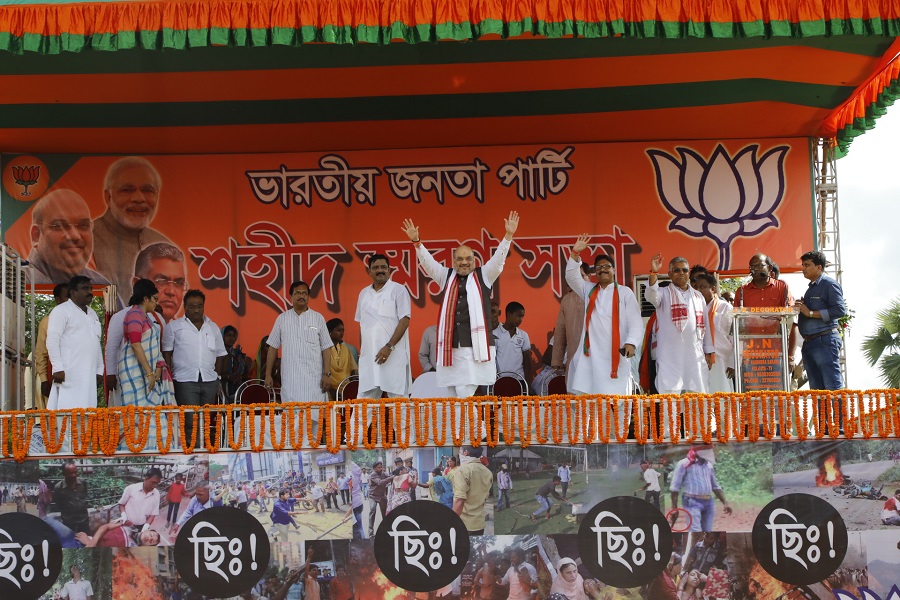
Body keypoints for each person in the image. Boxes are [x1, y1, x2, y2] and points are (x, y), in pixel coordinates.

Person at [402, 212, 519, 397]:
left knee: (464, 395)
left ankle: (468, 427)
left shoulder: (484, 275)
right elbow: (428, 263)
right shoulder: (446, 276)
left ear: (474, 260)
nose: (464, 262)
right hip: (451, 350)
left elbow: (498, 261)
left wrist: (508, 237)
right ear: (454, 261)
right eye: (460, 259)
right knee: (452, 396)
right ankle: (471, 427)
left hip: (475, 350)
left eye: (468, 259)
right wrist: (417, 242)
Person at [566, 243, 643, 428]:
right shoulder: (588, 290)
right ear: (595, 273)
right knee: (589, 405)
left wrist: (631, 343)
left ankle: (619, 446)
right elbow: (571, 276)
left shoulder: (625, 292)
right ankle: (592, 444)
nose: (602, 270)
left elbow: (635, 322)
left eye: (606, 267)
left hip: (616, 357)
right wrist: (575, 253)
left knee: (620, 405)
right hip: (591, 358)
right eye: (598, 268)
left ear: (614, 270)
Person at [93, 156, 170, 305]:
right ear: (108, 197)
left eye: (147, 190)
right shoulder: (85, 240)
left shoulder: (162, 244)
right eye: (127, 190)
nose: (138, 198)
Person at [645, 255, 715, 419]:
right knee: (670, 398)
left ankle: (700, 435)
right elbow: (650, 296)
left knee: (699, 395)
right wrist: (654, 272)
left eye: (684, 270)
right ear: (669, 274)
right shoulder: (662, 294)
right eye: (676, 270)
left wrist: (709, 351)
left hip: (695, 355)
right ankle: (671, 438)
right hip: (670, 357)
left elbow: (705, 326)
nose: (681, 273)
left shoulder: (698, 296)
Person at [264, 281, 333, 434]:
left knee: (314, 424)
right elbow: (273, 347)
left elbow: (326, 348)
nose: (301, 296)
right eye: (297, 293)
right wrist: (268, 374)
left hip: (314, 382)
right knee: (291, 426)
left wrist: (327, 374)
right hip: (291, 382)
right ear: (291, 296)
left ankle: (313, 454)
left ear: (308, 296)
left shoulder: (318, 318)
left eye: (304, 293)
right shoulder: (282, 319)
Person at [162, 289, 227, 444]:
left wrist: (217, 377)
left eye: (199, 306)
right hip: (185, 380)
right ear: (185, 307)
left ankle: (204, 451)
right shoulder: (174, 327)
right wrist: (170, 377)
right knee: (190, 421)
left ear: (204, 306)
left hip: (209, 381)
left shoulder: (213, 327)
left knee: (205, 420)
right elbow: (167, 353)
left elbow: (221, 354)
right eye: (192, 306)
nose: (196, 310)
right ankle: (193, 453)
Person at [118, 279, 175, 448]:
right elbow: (136, 344)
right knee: (137, 412)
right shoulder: (134, 314)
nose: (156, 303)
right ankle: (134, 449)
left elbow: (153, 348)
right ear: (146, 299)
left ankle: (153, 447)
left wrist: (157, 368)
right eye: (155, 299)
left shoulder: (146, 317)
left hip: (146, 371)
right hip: (134, 372)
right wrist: (149, 372)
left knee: (151, 412)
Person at [355, 253, 412, 400]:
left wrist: (389, 347)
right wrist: (363, 354)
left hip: (393, 356)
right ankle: (358, 425)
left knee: (399, 404)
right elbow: (362, 325)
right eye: (375, 268)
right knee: (363, 404)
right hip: (370, 360)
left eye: (383, 267)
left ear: (389, 270)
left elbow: (405, 320)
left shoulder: (398, 290)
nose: (380, 270)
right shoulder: (363, 294)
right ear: (370, 271)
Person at [26, 189, 109, 285]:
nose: (75, 236)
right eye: (60, 226)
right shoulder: (16, 284)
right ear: (36, 235)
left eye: (84, 225)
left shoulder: (100, 283)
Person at [46, 276, 104, 410]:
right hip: (68, 374)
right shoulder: (61, 311)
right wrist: (57, 368)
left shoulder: (92, 314)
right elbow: (52, 340)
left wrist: (100, 369)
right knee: (67, 414)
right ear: (73, 292)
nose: (90, 292)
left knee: (87, 414)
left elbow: (96, 343)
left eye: (90, 288)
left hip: (89, 375)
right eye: (85, 288)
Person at [796, 250, 846, 395]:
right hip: (810, 342)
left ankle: (839, 419)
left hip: (824, 340)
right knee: (817, 390)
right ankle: (823, 418)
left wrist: (809, 313)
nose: (803, 268)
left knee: (833, 386)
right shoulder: (812, 287)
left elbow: (839, 310)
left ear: (819, 267)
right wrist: (803, 306)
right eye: (802, 264)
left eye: (807, 265)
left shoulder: (829, 284)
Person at [669, 445, 732, 532]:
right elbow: (674, 488)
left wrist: (725, 502)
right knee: (695, 531)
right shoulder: (684, 464)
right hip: (691, 501)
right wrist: (674, 508)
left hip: (708, 502)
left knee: (707, 531)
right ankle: (695, 545)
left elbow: (715, 486)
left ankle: (702, 545)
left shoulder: (709, 466)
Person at [695, 274, 735, 393]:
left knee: (721, 398)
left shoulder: (725, 308)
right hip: (698, 358)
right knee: (700, 399)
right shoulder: (694, 308)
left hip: (720, 360)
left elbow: (733, 337)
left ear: (712, 289)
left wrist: (733, 363)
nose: (698, 290)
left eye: (702, 287)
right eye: (696, 287)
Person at [33, 283, 69, 409]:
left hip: (75, 375)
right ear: (58, 299)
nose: (70, 300)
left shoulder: (85, 318)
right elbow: (41, 352)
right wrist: (44, 380)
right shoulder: (47, 322)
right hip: (54, 375)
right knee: (54, 417)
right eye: (67, 296)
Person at [551, 265, 588, 382]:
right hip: (574, 356)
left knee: (597, 397)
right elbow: (560, 332)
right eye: (574, 277)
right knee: (575, 395)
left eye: (581, 276)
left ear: (589, 277)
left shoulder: (597, 295)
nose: (577, 280)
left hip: (597, 358)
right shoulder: (566, 300)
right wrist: (557, 359)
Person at [134, 242, 188, 322]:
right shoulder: (122, 329)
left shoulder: (186, 333)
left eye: (179, 283)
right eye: (161, 281)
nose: (171, 291)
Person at [452, 446, 493, 535]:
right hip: (479, 523)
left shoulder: (462, 470)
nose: (459, 452)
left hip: (465, 525)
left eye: (460, 450)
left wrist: (452, 522)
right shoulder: (488, 472)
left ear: (465, 453)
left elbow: (459, 500)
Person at [117, 467, 162, 541]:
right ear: (146, 478)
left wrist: (145, 528)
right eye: (153, 482)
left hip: (142, 526)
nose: (155, 486)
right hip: (127, 524)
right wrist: (124, 516)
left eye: (157, 483)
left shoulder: (156, 494)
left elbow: (153, 514)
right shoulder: (131, 489)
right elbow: (121, 504)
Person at [494, 301, 532, 382]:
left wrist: (528, 382)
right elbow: (492, 360)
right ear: (509, 314)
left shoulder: (523, 335)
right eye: (518, 316)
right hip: (500, 379)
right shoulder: (495, 334)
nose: (521, 319)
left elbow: (527, 361)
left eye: (522, 316)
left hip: (519, 379)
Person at [53, 462, 89, 534]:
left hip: (83, 519)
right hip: (68, 521)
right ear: (64, 474)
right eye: (70, 473)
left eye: (75, 472)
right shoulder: (58, 488)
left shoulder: (83, 482)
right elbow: (58, 504)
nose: (74, 475)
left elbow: (85, 495)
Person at [326, 318, 358, 393]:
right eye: (338, 330)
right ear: (329, 331)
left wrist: (351, 386)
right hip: (327, 389)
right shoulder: (324, 350)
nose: (341, 333)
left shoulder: (346, 349)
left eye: (343, 330)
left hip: (345, 389)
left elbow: (354, 370)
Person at [220, 325, 251, 401]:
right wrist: (227, 376)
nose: (231, 338)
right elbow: (213, 372)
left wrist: (239, 377)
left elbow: (245, 374)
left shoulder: (238, 354)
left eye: (234, 336)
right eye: (228, 335)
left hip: (238, 390)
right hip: (220, 390)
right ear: (222, 336)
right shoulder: (216, 353)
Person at [368, 461, 391, 537]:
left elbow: (389, 477)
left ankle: (386, 529)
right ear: (374, 468)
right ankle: (370, 532)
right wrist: (391, 478)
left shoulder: (384, 474)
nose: (381, 468)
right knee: (372, 510)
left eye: (381, 467)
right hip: (373, 496)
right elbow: (380, 482)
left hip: (381, 496)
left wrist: (395, 475)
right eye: (379, 467)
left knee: (385, 513)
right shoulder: (373, 475)